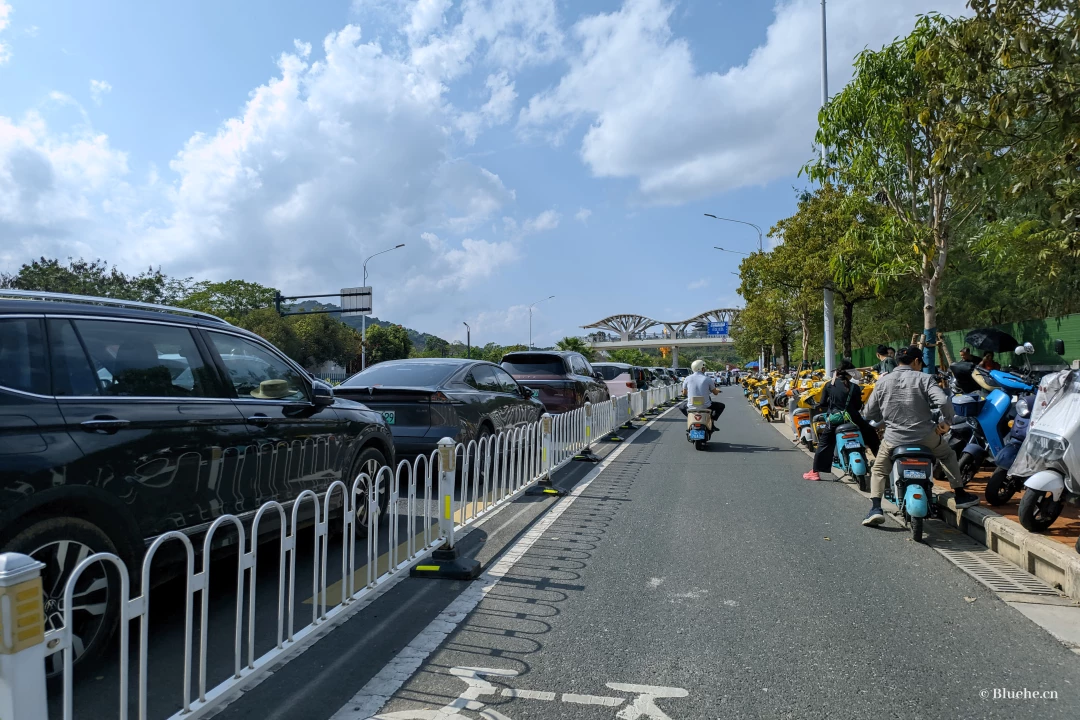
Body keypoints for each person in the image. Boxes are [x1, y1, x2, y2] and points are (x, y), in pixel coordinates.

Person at [860, 345, 979, 526]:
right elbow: (943, 400)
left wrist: (882, 418)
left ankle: (876, 508)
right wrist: (946, 422)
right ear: (916, 361)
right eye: (921, 363)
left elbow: (869, 413)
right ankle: (960, 495)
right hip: (926, 436)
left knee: (878, 470)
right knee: (948, 455)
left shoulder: (883, 382)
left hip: (893, 439)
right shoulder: (924, 378)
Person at [804, 362, 863, 481]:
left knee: (824, 444)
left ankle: (815, 472)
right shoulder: (855, 387)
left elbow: (823, 403)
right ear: (850, 374)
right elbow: (858, 406)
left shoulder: (829, 385)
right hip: (852, 420)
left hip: (835, 420)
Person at [678, 359, 724, 423]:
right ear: (702, 368)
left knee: (681, 407)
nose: (705, 369)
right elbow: (715, 393)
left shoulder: (687, 378)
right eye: (704, 367)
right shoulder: (707, 379)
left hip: (691, 406)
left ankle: (691, 416)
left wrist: (685, 392)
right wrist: (717, 391)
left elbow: (684, 393)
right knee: (721, 406)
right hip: (706, 406)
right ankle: (712, 419)